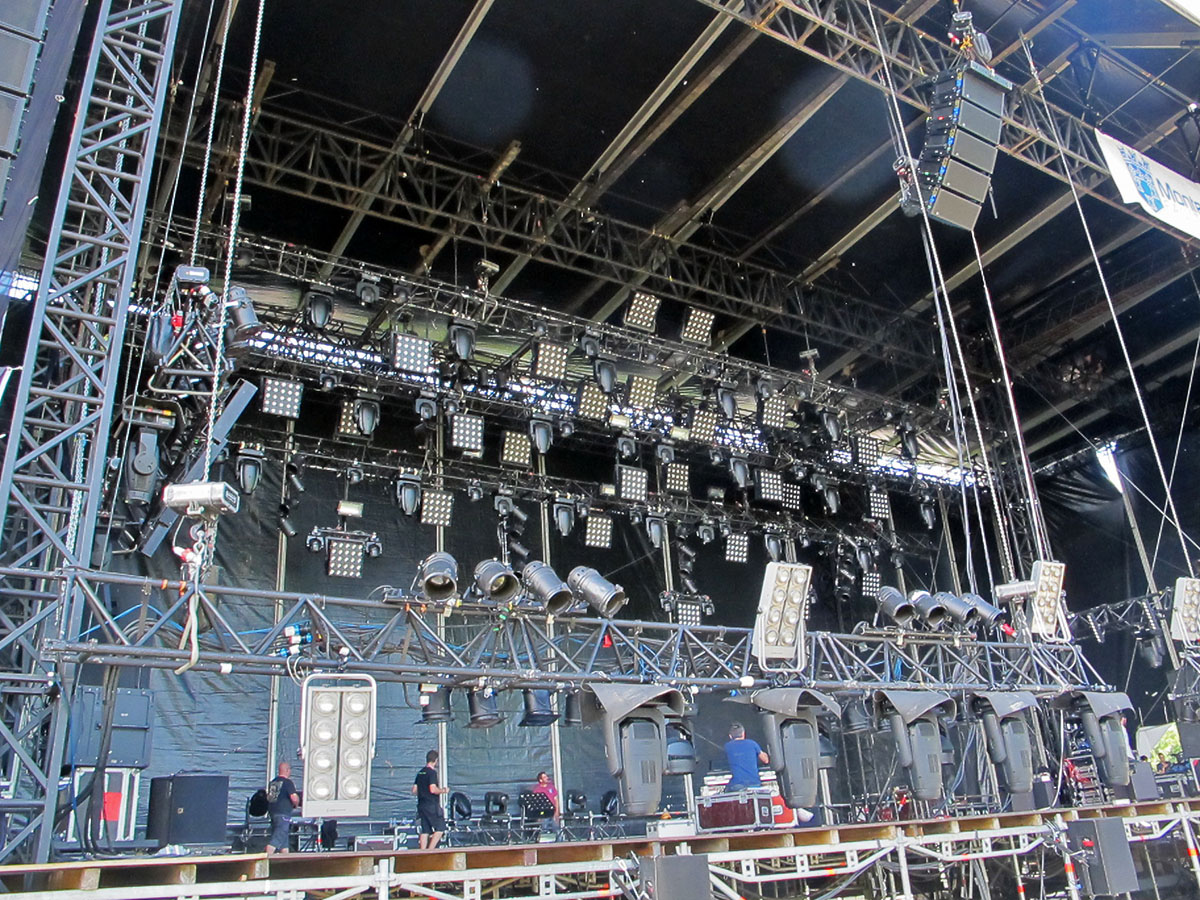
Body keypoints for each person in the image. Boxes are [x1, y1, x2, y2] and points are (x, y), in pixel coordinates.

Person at [411, 749, 448, 849]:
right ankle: (430, 850)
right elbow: (433, 789)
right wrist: (443, 790)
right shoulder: (432, 773)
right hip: (431, 805)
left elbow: (414, 790)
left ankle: (422, 852)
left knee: (425, 829)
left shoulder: (420, 773)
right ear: (435, 760)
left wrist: (423, 793)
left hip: (421, 805)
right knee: (440, 828)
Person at [265, 761, 300, 855]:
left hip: (273, 813)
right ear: (287, 770)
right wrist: (296, 804)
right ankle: (267, 855)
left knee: (283, 841)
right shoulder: (288, 783)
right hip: (283, 813)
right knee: (277, 838)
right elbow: (294, 797)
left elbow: (270, 798)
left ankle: (285, 857)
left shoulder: (273, 783)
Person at [724, 722, 768, 791]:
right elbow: (765, 760)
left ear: (730, 736)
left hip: (737, 785)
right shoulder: (752, 743)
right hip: (755, 783)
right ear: (743, 734)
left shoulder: (727, 746)